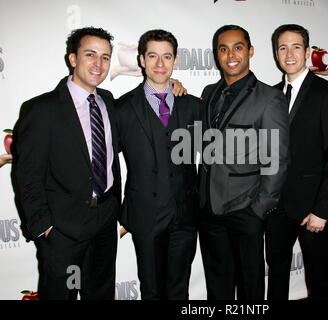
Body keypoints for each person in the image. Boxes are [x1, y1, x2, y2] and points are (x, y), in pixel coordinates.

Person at [13, 27, 121, 300]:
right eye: (90, 54)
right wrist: (45, 228)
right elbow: (28, 176)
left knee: (101, 294)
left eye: (105, 57)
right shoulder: (42, 109)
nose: (98, 64)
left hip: (105, 223)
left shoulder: (108, 101)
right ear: (72, 58)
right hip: (63, 230)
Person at [198, 25, 289, 300]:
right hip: (209, 209)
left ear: (250, 51)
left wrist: (259, 209)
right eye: (223, 49)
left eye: (238, 47)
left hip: (245, 209)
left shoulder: (269, 97)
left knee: (250, 287)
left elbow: (278, 158)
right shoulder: (209, 92)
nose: (230, 55)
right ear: (217, 55)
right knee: (217, 285)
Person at [115, 29, 202, 300]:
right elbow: (103, 163)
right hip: (144, 216)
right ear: (141, 60)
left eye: (167, 57)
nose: (160, 64)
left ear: (176, 61)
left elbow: (213, 157)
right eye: (153, 56)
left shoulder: (193, 107)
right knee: (152, 291)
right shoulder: (122, 109)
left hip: (185, 216)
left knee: (179, 290)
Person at [265, 24, 328, 300]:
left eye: (296, 46)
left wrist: (323, 210)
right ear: (276, 54)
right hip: (275, 208)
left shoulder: (327, 94)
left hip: (312, 208)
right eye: (283, 48)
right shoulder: (270, 95)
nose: (289, 54)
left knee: (319, 275)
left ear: (308, 52)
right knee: (276, 274)